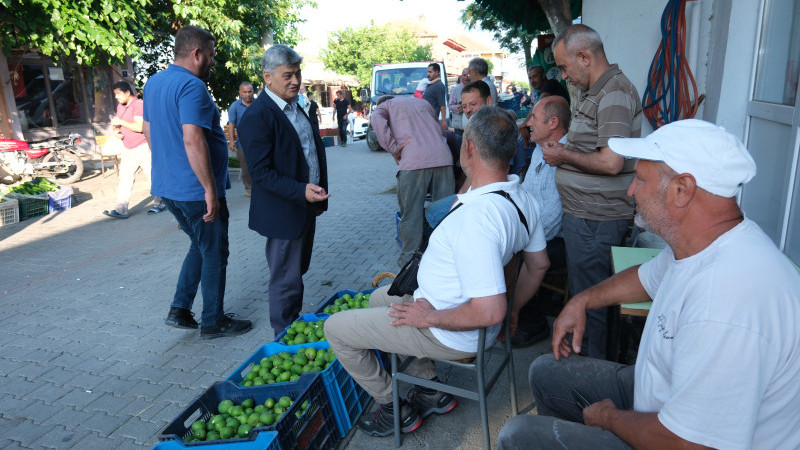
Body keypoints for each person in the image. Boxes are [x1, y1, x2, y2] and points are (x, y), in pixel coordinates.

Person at [498, 118, 800, 449]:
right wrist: (582, 301)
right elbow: (645, 277)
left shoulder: (728, 299)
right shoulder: (704, 243)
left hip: (675, 439)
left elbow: (688, 444)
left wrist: (609, 419)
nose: (631, 190)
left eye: (640, 180)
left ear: (682, 190)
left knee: (518, 436)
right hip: (662, 396)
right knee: (545, 372)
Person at [325, 106, 551, 437]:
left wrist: (428, 318)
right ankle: (430, 388)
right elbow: (539, 264)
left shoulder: (478, 220)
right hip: (458, 317)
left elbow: (490, 309)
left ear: (469, 147)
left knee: (335, 329)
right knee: (378, 298)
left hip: (450, 330)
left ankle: (393, 405)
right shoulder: (519, 197)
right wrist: (514, 310)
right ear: (514, 151)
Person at [143, 25, 252, 339]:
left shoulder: (154, 83)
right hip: (196, 191)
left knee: (201, 245)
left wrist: (172, 174)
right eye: (212, 54)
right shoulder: (192, 87)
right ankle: (213, 321)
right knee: (215, 251)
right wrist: (208, 190)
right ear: (197, 53)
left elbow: (149, 133)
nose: (213, 61)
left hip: (170, 188)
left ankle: (180, 309)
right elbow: (193, 139)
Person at [542, 24, 642, 359]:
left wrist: (561, 155)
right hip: (587, 218)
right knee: (593, 299)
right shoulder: (596, 92)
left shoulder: (614, 93)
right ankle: (596, 371)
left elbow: (611, 163)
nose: (564, 76)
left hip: (595, 219)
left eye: (565, 67)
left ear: (584, 57)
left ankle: (593, 382)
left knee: (593, 304)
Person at [237, 44, 329, 333]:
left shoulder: (295, 106)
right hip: (283, 213)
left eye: (298, 74)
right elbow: (261, 173)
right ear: (267, 77)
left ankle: (293, 324)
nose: (295, 81)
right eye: (287, 75)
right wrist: (300, 190)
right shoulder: (257, 116)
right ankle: (283, 337)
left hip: (304, 207)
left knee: (295, 272)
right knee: (285, 280)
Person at [512, 96, 570, 348]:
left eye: (534, 117)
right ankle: (508, 314)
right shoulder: (539, 149)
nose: (528, 123)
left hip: (560, 241)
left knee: (519, 256)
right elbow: (525, 195)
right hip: (538, 232)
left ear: (553, 122)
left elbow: (553, 219)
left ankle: (533, 325)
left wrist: (519, 239)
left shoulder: (565, 155)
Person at [370, 95, 453, 267]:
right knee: (446, 214)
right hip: (443, 157)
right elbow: (438, 128)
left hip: (414, 161)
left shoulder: (385, 106)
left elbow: (376, 119)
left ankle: (409, 262)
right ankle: (446, 258)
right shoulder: (422, 102)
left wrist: (393, 148)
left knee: (411, 215)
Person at [102, 81, 165, 219]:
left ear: (127, 93)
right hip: (127, 147)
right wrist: (116, 130)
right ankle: (121, 209)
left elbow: (139, 127)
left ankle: (161, 204)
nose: (116, 97)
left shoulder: (139, 105)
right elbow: (117, 123)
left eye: (118, 94)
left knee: (152, 177)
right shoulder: (120, 107)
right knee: (125, 178)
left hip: (143, 147)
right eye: (115, 94)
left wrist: (120, 123)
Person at [227, 81, 254, 196]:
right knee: (246, 166)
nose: (248, 94)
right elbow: (231, 124)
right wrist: (232, 141)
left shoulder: (258, 104)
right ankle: (249, 188)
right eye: (245, 92)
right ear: (240, 93)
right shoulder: (235, 106)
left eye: (250, 92)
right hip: (243, 142)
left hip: (259, 141)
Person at [422, 63, 448, 131]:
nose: (428, 74)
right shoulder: (430, 84)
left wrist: (444, 121)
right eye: (428, 72)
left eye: (430, 72)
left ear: (437, 72)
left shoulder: (439, 85)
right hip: (425, 119)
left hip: (431, 120)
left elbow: (442, 104)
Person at [448, 68, 470, 135]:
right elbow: (450, 105)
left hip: (471, 125)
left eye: (468, 75)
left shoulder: (475, 88)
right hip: (459, 126)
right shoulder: (456, 89)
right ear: (461, 76)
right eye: (464, 75)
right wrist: (459, 108)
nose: (466, 77)